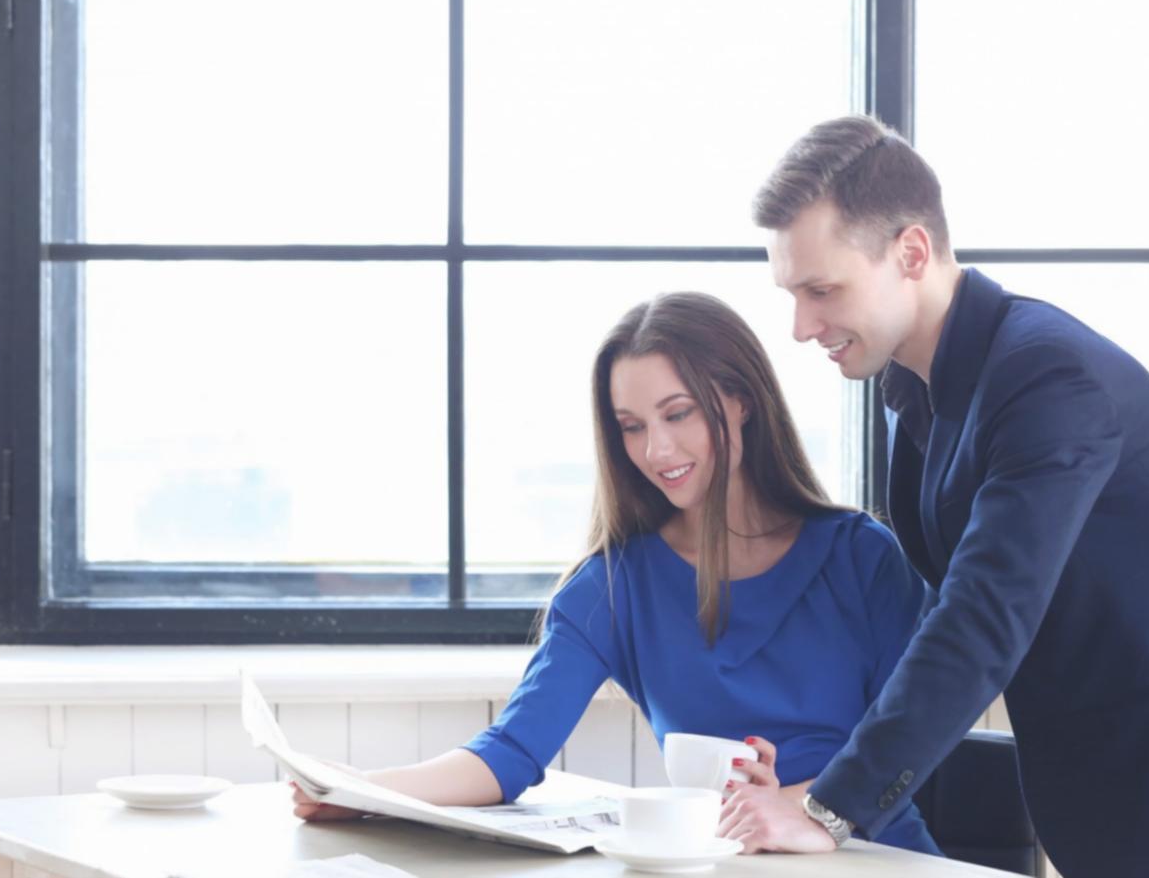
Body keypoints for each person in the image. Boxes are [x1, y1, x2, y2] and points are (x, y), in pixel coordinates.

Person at [724, 115, 1149, 878]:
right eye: (791, 293)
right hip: (1100, 782)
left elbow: (982, 615)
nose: (799, 326)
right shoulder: (910, 388)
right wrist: (820, 771)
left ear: (910, 252)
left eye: (822, 290)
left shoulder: (1048, 377)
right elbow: (936, 608)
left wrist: (831, 805)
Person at [289, 291, 941, 855]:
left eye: (677, 412)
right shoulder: (612, 585)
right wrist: (363, 787)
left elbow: (916, 736)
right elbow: (511, 751)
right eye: (632, 426)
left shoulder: (861, 556)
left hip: (885, 857)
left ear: (741, 399)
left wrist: (799, 802)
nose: (656, 450)